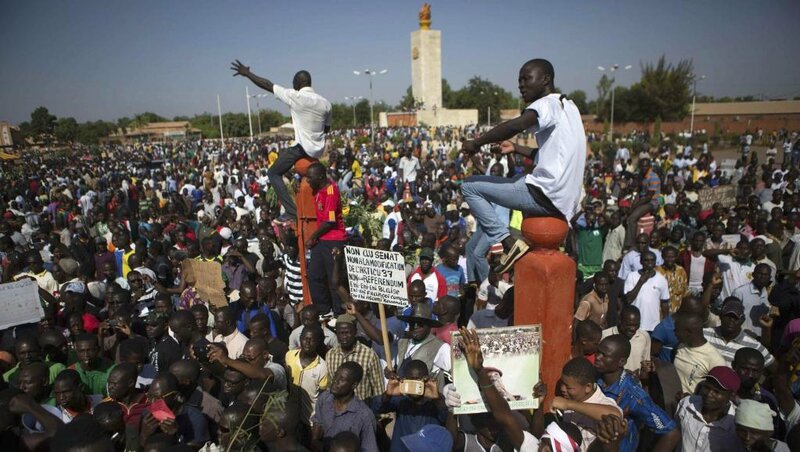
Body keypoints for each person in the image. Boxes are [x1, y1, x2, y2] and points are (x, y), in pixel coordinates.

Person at [460, 58, 586, 273]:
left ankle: (508, 243)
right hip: (563, 202)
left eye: (526, 79)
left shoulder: (546, 103)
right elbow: (547, 155)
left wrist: (476, 143)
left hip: (543, 194)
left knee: (469, 186)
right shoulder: (569, 108)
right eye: (519, 80)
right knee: (517, 180)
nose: (521, 85)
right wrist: (516, 148)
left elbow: (516, 125)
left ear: (545, 79)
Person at [230, 61, 331, 222]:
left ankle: (291, 211)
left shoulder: (295, 96)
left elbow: (267, 85)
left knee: (273, 173)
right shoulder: (326, 103)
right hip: (318, 150)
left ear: (298, 84)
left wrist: (248, 74)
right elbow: (326, 129)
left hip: (301, 149)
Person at [594, 335, 680, 451]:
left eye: (604, 355)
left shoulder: (633, 395)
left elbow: (672, 433)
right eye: (598, 352)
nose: (598, 357)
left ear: (621, 361)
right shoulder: (594, 378)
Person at [371, 359, 447, 452]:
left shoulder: (435, 400)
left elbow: (445, 417)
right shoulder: (401, 399)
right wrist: (388, 394)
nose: (414, 385)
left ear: (426, 379)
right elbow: (375, 408)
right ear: (404, 379)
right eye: (411, 380)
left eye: (418, 380)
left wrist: (437, 398)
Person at [305, 162, 348, 315]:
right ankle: (323, 310)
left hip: (334, 240)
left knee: (333, 279)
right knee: (314, 275)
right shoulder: (317, 190)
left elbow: (330, 221)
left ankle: (338, 313)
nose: (308, 181)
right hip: (322, 240)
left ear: (321, 176)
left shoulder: (331, 191)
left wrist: (312, 237)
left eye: (310, 177)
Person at [311, 361, 378, 452]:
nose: (335, 381)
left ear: (354, 385)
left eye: (342, 379)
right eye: (335, 376)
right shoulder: (324, 399)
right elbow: (317, 426)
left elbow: (370, 449)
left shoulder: (364, 416)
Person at [674, 366, 741, 451]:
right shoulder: (687, 404)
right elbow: (674, 435)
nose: (709, 394)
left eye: (717, 392)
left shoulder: (735, 423)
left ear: (731, 395)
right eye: (707, 388)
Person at [325, 314, 384, 402]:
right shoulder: (331, 355)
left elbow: (378, 389)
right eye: (341, 333)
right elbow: (329, 385)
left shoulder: (369, 355)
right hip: (337, 409)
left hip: (361, 409)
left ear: (355, 332)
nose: (344, 336)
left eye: (348, 332)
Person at [673, 312, 726, 395]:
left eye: (677, 330)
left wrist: (691, 398)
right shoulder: (680, 346)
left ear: (688, 332)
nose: (674, 333)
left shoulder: (715, 360)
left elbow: (718, 392)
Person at [623, 250, 670, 332]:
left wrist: (666, 323)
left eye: (652, 260)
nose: (649, 263)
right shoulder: (632, 276)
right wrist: (641, 282)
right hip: (635, 324)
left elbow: (664, 303)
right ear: (641, 261)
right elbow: (628, 299)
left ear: (655, 262)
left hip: (654, 325)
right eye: (646, 260)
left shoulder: (661, 279)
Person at [601, 306, 651, 376]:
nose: (633, 329)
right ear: (620, 320)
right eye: (629, 325)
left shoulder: (644, 337)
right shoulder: (605, 336)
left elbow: (645, 367)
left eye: (636, 325)